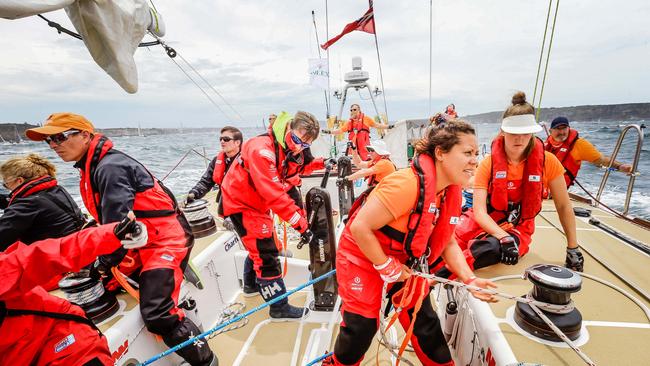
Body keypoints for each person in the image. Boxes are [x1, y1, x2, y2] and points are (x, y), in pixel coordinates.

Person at [25, 113, 217, 366]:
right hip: (143, 242)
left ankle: (207, 361)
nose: (54, 145)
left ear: (85, 135)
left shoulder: (109, 168)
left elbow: (117, 227)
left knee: (157, 313)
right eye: (49, 140)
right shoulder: (93, 166)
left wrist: (101, 265)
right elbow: (110, 223)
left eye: (60, 136)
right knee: (109, 287)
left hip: (166, 241)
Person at [325, 120, 497, 366]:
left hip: (405, 259)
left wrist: (469, 279)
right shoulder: (405, 185)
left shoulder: (450, 191)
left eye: (476, 154)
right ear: (440, 153)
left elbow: (447, 241)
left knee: (425, 324)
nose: (475, 161)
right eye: (468, 153)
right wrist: (385, 266)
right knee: (361, 326)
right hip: (362, 253)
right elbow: (359, 227)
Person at [435, 92, 584, 280]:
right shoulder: (489, 164)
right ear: (503, 132)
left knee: (491, 248)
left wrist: (573, 247)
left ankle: (442, 275)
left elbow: (563, 206)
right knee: (445, 241)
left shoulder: (549, 161)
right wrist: (500, 234)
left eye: (525, 133)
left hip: (519, 226)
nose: (519, 139)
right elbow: (479, 212)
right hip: (486, 218)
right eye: (513, 133)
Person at [1, 212, 147, 366]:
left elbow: (45, 256)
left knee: (157, 314)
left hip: (62, 343)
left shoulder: (23, 207)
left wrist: (113, 234)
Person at [221, 111, 323, 319]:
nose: (298, 147)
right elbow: (275, 195)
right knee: (266, 254)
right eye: (296, 140)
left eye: (303, 145)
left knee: (257, 247)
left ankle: (250, 286)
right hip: (242, 204)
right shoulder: (262, 151)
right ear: (288, 128)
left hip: (255, 202)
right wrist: (302, 227)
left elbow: (297, 170)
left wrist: (324, 162)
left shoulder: (285, 147)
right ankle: (279, 308)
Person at [0, 153, 86, 251]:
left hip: (54, 258)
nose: (7, 188)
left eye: (6, 184)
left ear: (19, 181)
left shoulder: (29, 204)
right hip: (73, 247)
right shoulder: (55, 190)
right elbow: (23, 204)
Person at [544, 116, 633, 187]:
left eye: (564, 128)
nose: (562, 132)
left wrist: (620, 166)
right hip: (541, 185)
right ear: (550, 131)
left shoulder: (579, 144)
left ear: (569, 129)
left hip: (557, 189)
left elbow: (601, 159)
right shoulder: (545, 144)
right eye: (558, 129)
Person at [185, 126, 243, 207]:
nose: (222, 141)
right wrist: (194, 193)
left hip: (246, 205)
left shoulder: (246, 160)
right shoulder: (217, 161)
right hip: (226, 204)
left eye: (226, 139)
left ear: (237, 143)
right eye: (221, 139)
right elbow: (206, 182)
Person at [322, 104, 391, 160]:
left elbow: (377, 125)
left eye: (354, 109)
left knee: (366, 160)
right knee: (351, 160)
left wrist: (388, 127)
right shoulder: (349, 123)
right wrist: (329, 132)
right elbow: (340, 130)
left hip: (364, 149)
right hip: (353, 150)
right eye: (351, 110)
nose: (352, 111)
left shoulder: (366, 119)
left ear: (359, 110)